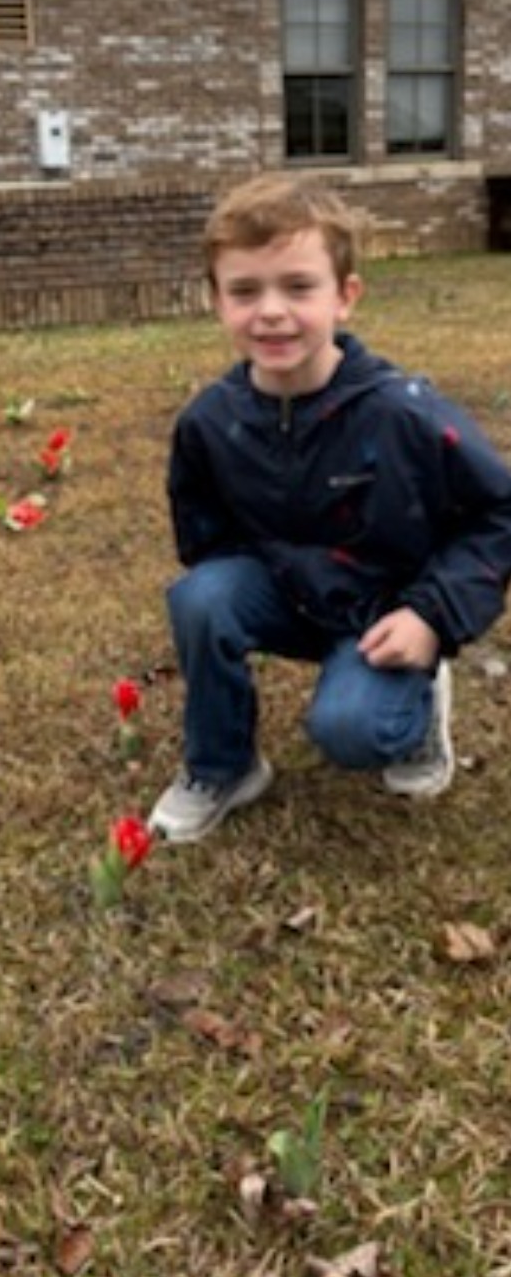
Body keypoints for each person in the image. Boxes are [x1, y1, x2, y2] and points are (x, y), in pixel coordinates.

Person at [150, 172, 511, 843]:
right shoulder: (209, 421)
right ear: (215, 301)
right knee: (200, 596)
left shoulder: (403, 412)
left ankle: (417, 709)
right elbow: (208, 543)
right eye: (245, 291)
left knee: (350, 730)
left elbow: (499, 512)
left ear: (346, 297)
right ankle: (225, 766)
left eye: (298, 286)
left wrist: (432, 615)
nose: (272, 312)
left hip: (387, 611)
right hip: (291, 594)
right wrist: (243, 599)